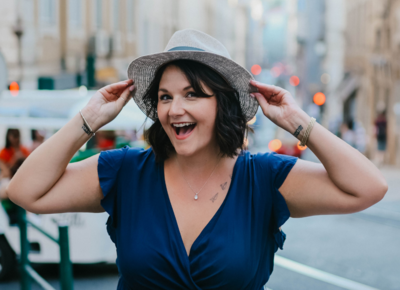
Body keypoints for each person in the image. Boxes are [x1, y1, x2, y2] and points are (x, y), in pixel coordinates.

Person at [6, 29, 388, 289]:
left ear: (222, 104)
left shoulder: (264, 179)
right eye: (166, 96)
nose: (175, 109)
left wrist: (298, 122)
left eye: (193, 94)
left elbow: (369, 187)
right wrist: (88, 119)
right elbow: (26, 192)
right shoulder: (125, 172)